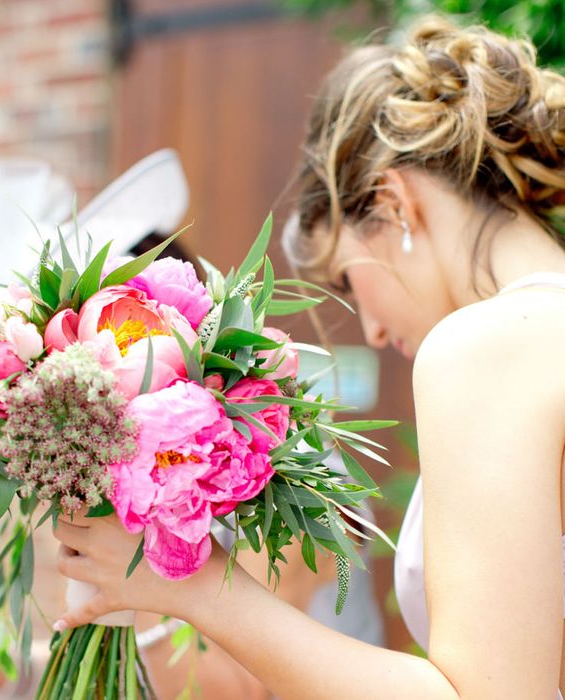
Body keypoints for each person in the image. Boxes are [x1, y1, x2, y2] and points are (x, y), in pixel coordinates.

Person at [51, 15, 565, 698]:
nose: (375, 333)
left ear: (392, 203)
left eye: (349, 280)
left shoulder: (485, 346)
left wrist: (187, 585)